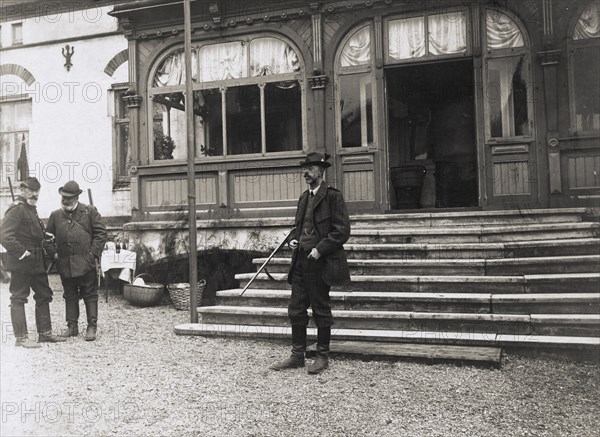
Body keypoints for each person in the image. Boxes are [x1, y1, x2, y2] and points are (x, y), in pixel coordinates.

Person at [270, 152, 351, 374]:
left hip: (321, 263)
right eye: (303, 169)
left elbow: (342, 231)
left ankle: (322, 356)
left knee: (320, 309)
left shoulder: (333, 197)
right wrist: (295, 241)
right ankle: (297, 355)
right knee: (295, 309)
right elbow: (299, 228)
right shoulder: (303, 198)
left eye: (310, 169)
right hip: (301, 262)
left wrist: (320, 249)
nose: (305, 173)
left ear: (321, 171)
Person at [0, 177, 66, 347]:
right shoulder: (17, 209)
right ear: (22, 190)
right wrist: (22, 253)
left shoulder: (31, 209)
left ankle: (45, 333)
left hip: (37, 262)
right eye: (31, 190)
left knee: (44, 295)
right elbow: (4, 236)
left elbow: (32, 232)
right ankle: (21, 338)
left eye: (37, 191)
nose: (35, 194)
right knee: (19, 297)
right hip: (22, 262)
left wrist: (45, 235)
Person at [46, 181, 107, 341]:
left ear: (77, 197)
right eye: (63, 197)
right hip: (65, 264)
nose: (65, 200)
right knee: (70, 295)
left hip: (85, 263)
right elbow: (46, 239)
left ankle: (92, 327)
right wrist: (55, 255)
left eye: (69, 197)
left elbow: (101, 234)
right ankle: (72, 327)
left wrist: (92, 254)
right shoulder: (56, 215)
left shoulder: (89, 212)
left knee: (90, 295)